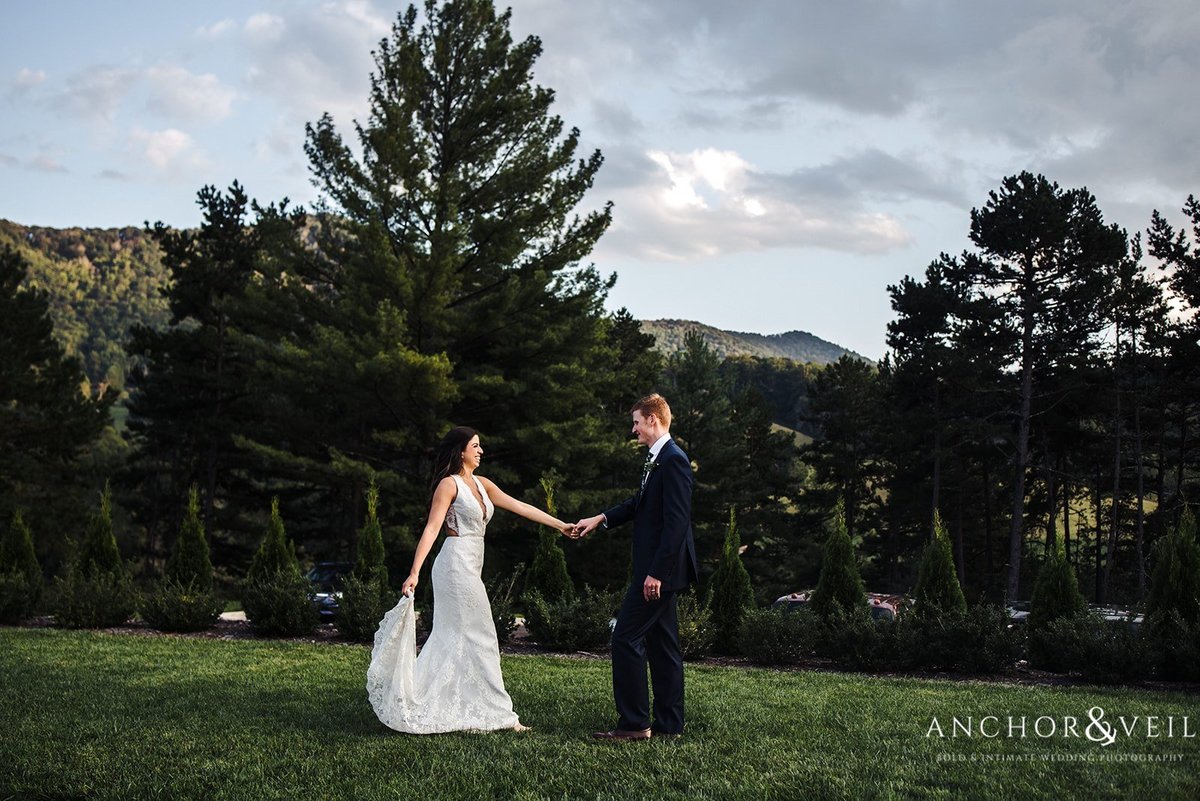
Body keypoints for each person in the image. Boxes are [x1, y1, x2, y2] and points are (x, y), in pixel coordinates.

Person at [367, 426, 573, 734]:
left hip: (472, 563)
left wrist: (560, 525)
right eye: (475, 446)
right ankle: (503, 714)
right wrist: (415, 572)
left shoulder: (482, 484)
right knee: (483, 635)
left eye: (480, 446)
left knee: (455, 636)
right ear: (460, 451)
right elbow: (432, 529)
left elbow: (520, 506)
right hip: (453, 565)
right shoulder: (448, 486)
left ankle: (455, 700)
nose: (480, 451)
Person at [571, 393, 699, 741]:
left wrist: (656, 573)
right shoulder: (658, 459)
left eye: (637, 423)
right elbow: (639, 505)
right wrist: (600, 518)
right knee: (664, 646)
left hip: (659, 572)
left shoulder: (673, 461)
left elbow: (676, 523)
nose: (634, 430)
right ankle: (669, 726)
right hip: (661, 571)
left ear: (653, 420)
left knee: (625, 637)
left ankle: (634, 724)